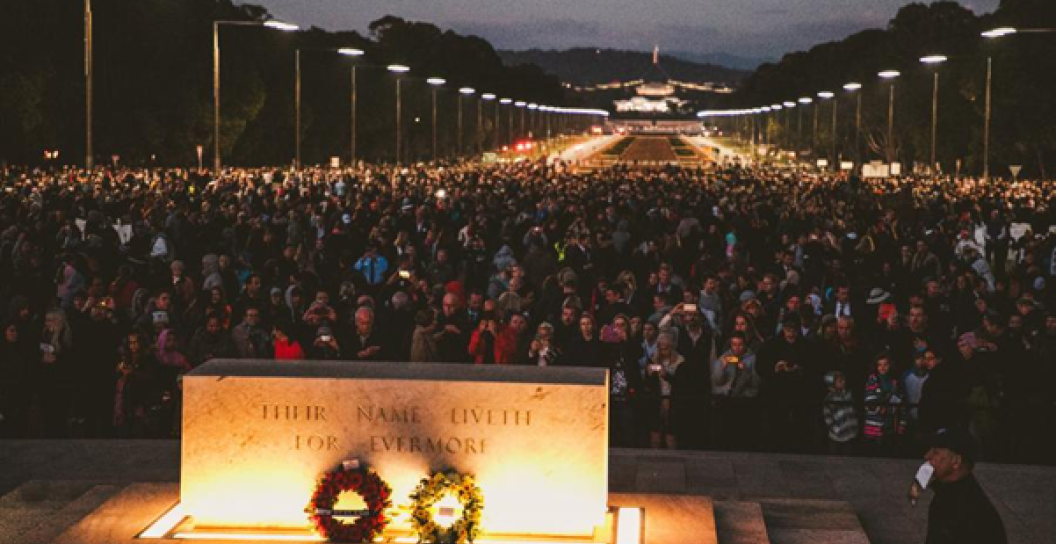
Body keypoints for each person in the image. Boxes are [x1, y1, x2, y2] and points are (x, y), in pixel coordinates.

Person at [921, 427, 1006, 544]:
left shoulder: (967, 510)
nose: (927, 456)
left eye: (936, 452)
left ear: (956, 461)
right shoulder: (950, 496)